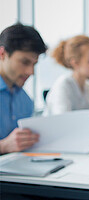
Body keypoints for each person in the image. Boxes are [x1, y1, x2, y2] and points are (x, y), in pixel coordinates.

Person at [0, 23, 46, 154]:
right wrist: (3, 146)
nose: (31, 72)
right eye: (25, 62)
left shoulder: (25, 101)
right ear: (2, 54)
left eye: (34, 64)